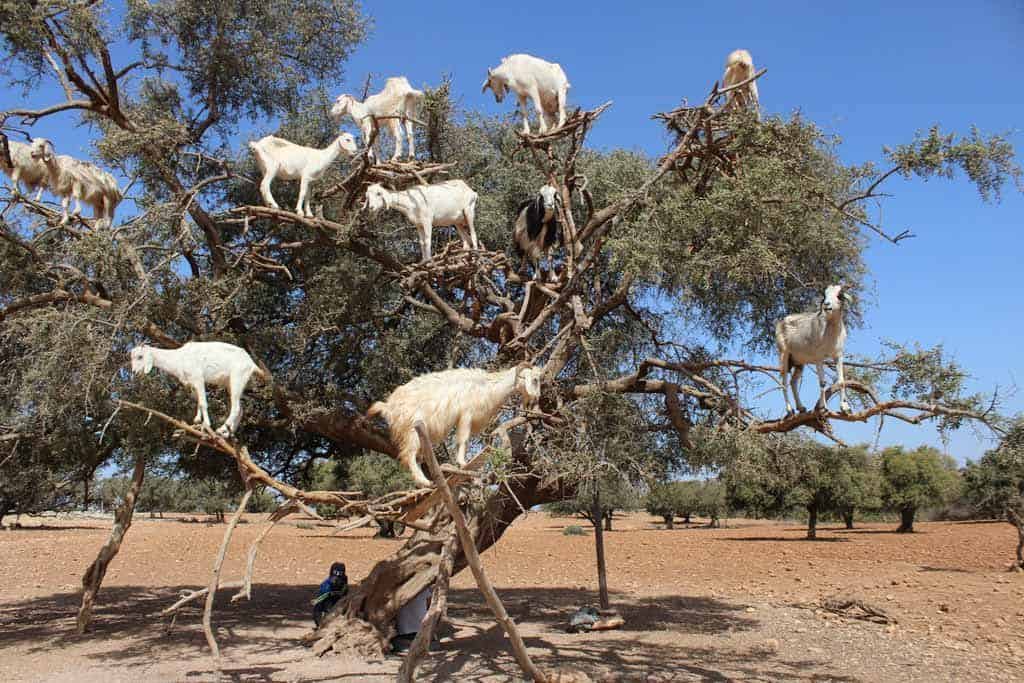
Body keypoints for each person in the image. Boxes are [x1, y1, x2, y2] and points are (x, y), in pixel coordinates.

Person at [391, 585, 432, 652]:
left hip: (402, 632)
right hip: (421, 630)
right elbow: (429, 605)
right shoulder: (424, 588)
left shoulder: (397, 589)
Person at [312, 561, 348, 628]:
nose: (336, 579)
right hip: (327, 603)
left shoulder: (344, 581)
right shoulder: (326, 586)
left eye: (339, 575)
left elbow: (344, 593)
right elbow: (319, 600)